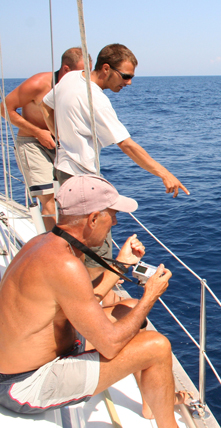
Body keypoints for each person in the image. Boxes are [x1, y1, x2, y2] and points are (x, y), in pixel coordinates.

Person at [0, 175, 185, 428]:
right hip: (24, 385)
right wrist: (150, 295)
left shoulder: (41, 244)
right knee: (157, 346)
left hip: (26, 365)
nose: (116, 221)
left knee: (128, 309)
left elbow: (87, 298)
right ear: (94, 218)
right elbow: (109, 345)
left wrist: (120, 263)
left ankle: (150, 404)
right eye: (112, 214)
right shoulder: (65, 264)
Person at [41, 43, 189, 198]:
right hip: (80, 179)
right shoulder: (97, 101)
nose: (129, 82)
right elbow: (126, 145)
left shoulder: (71, 77)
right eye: (125, 76)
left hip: (61, 169)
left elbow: (45, 106)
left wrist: (59, 137)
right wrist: (165, 174)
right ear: (106, 69)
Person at [0, 47, 88, 231]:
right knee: (48, 199)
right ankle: (55, 247)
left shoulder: (80, 87)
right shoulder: (38, 83)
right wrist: (38, 132)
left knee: (72, 197)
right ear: (65, 69)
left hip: (62, 145)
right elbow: (4, 109)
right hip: (33, 144)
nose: (83, 77)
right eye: (80, 72)